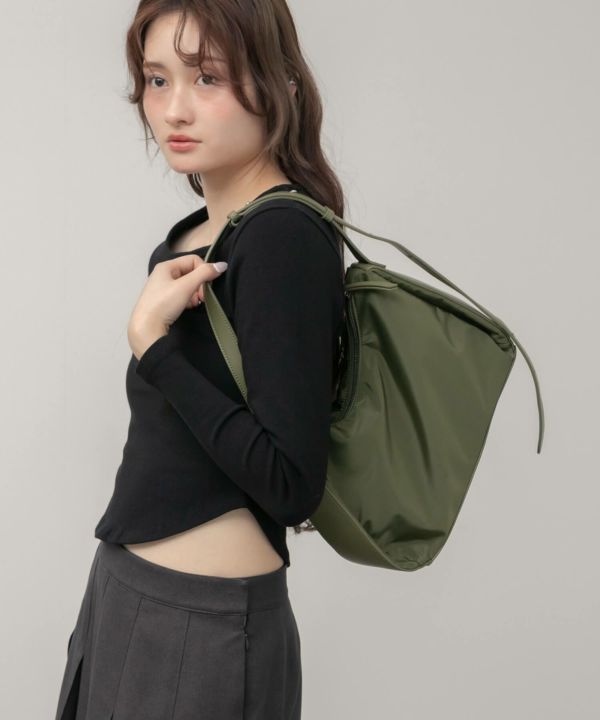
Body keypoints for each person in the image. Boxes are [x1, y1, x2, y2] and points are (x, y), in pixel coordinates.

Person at [54, 1, 346, 718]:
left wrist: (155, 349)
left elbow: (292, 483)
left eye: (207, 77)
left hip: (201, 624)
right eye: (158, 80)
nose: (174, 109)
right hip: (124, 590)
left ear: (278, 83)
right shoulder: (196, 231)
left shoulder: (282, 236)